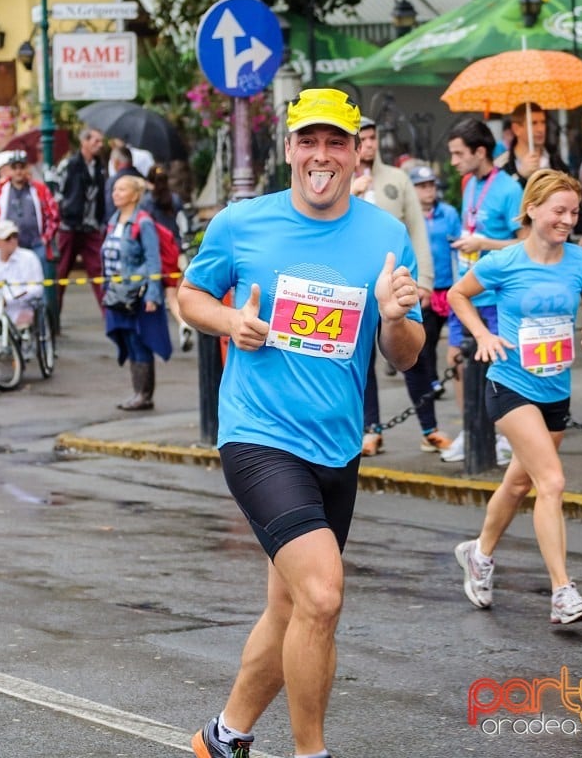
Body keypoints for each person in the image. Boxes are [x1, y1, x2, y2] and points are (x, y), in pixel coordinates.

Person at [178, 87, 424, 758]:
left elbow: (402, 355)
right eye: (308, 141)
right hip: (258, 436)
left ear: (356, 151)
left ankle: (222, 737)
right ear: (289, 149)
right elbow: (190, 294)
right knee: (321, 595)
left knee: (289, 609)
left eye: (336, 142)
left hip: (337, 445)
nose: (322, 155)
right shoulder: (242, 224)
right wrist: (232, 321)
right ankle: (310, 752)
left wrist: (397, 316)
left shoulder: (384, 235)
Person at [447, 169, 582, 624]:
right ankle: (563, 593)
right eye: (558, 210)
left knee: (519, 483)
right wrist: (483, 335)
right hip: (510, 383)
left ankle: (479, 554)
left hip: (555, 389)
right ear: (532, 209)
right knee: (551, 482)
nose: (567, 219)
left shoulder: (580, 261)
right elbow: (459, 294)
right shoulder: (505, 262)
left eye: (573, 212)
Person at [442, 118, 527, 465]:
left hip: (495, 295)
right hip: (465, 288)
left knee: (498, 366)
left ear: (480, 151)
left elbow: (523, 243)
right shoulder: (469, 184)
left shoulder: (509, 188)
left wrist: (483, 242)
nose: (453, 161)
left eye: (459, 153)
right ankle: (470, 428)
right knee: (458, 361)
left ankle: (507, 434)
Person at [350, 115, 433, 455]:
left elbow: (416, 230)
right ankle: (371, 429)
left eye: (372, 137)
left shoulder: (397, 179)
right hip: (354, 288)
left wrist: (425, 279)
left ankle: (431, 427)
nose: (369, 144)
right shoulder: (339, 182)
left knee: (413, 357)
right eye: (362, 138)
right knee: (363, 360)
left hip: (396, 284)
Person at [495, 102, 582, 266]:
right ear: (517, 129)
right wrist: (520, 176)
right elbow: (503, 210)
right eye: (533, 123)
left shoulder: (556, 162)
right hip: (520, 256)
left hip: (560, 251)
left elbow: (575, 205)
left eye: (543, 122)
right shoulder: (502, 167)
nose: (540, 129)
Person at [102, 174, 172, 410]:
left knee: (140, 340)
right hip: (118, 293)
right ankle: (137, 392)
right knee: (128, 340)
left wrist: (153, 295)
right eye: (115, 190)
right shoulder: (113, 221)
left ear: (135, 195)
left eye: (122, 190)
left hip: (138, 294)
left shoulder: (143, 222)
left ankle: (144, 395)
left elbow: (153, 261)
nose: (116, 194)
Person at [403, 164, 461, 451]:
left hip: (446, 286)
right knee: (423, 346)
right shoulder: (410, 218)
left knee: (448, 340)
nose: (428, 190)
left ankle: (436, 379)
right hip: (420, 290)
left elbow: (458, 247)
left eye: (431, 185)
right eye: (422, 186)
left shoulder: (448, 214)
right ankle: (433, 380)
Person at [140, 163, 193, 352]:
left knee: (164, 295)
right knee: (177, 291)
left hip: (158, 251)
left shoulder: (146, 203)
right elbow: (183, 224)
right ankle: (183, 322)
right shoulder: (175, 199)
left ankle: (181, 324)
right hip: (175, 250)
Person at [56, 127, 106, 314]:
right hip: (69, 225)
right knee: (60, 272)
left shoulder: (99, 166)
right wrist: (65, 213)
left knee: (99, 270)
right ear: (84, 142)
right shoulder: (69, 165)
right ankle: (53, 318)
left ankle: (109, 316)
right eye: (96, 141)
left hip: (91, 225)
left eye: (101, 141)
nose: (99, 145)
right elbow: (56, 192)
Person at [0, 149, 60, 278]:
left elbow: (54, 215)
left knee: (41, 282)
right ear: (9, 170)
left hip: (36, 244)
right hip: (9, 246)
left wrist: (45, 238)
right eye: (14, 167)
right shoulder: (0, 190)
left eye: (22, 167)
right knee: (9, 284)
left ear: (27, 168)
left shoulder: (39, 189)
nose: (18, 171)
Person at [0, 219, 44, 327]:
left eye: (15, 236)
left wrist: (10, 299)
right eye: (7, 238)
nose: (13, 241)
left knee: (25, 318)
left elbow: (37, 289)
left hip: (22, 307)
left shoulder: (29, 258)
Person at [104, 145, 143, 222]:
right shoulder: (143, 179)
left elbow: (109, 209)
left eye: (121, 189)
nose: (116, 194)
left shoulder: (113, 181)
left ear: (116, 162)